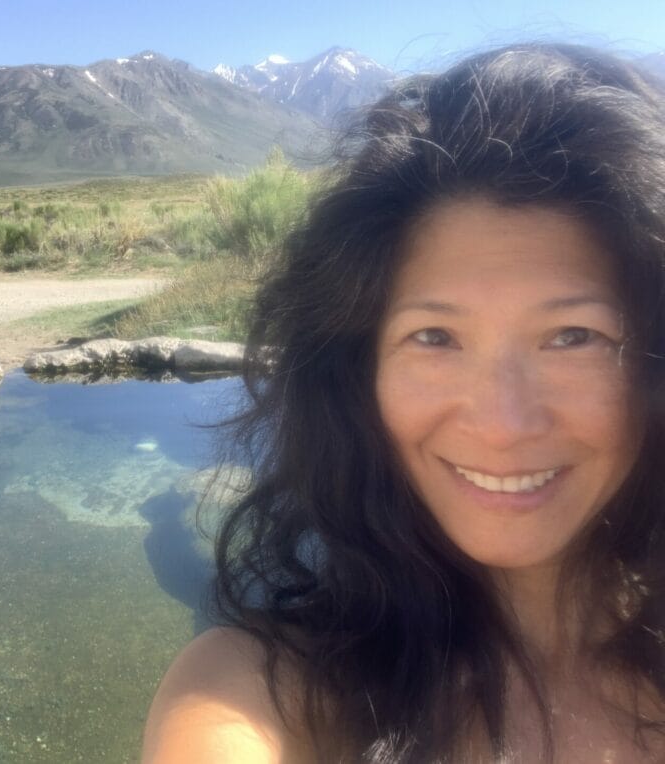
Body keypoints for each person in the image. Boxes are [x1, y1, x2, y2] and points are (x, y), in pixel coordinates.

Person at [142, 43, 665, 762]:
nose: (504, 423)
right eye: (436, 337)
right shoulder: (260, 694)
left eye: (573, 336)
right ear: (358, 374)